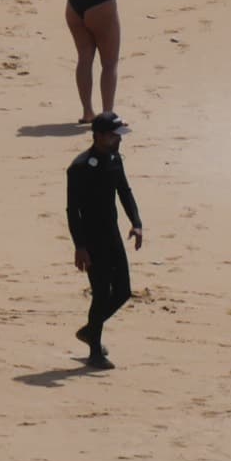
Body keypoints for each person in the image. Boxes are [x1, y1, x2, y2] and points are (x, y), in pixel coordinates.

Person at [66, 112, 145, 370]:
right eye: (113, 135)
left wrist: (136, 222)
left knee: (122, 292)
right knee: (100, 294)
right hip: (91, 240)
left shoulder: (114, 158)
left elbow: (124, 190)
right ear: (98, 136)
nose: (118, 140)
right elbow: (72, 211)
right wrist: (79, 246)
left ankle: (90, 330)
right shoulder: (79, 167)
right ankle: (94, 352)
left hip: (112, 235)